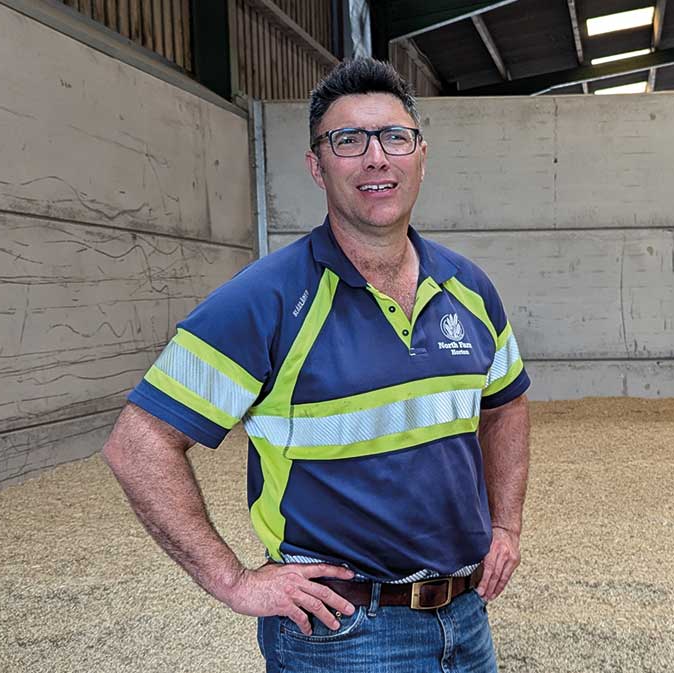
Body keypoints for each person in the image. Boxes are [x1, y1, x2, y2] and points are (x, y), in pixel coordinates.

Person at [101, 57, 531, 673]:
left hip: (465, 620)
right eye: (348, 140)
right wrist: (233, 581)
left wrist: (507, 526)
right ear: (317, 165)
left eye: (394, 137)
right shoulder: (266, 300)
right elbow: (138, 443)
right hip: (340, 634)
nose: (376, 158)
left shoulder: (469, 287)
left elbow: (507, 402)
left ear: (420, 156)